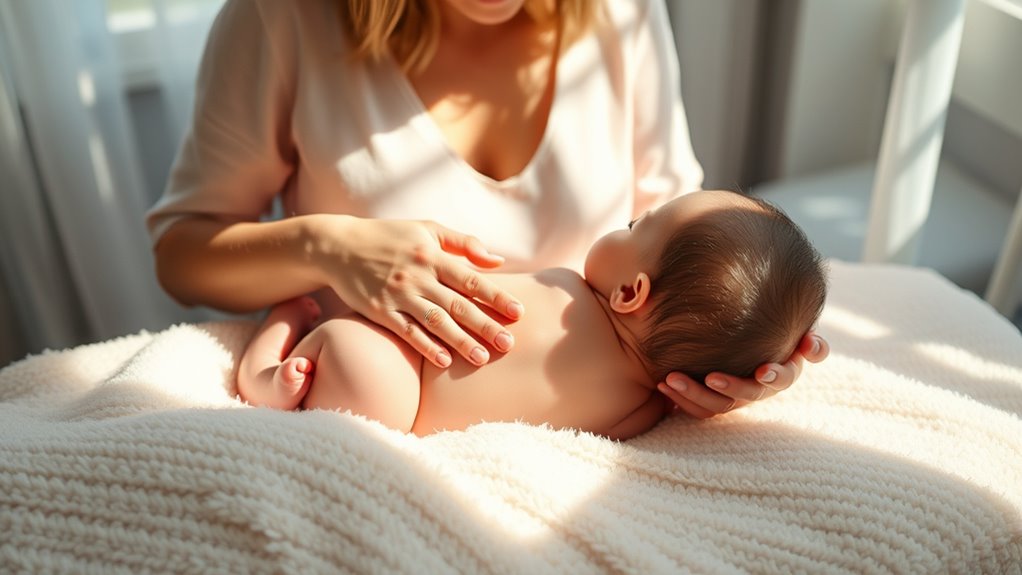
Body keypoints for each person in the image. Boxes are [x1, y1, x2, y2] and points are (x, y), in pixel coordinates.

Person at [146, 0, 829, 421]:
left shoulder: (622, 13)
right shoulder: (282, 17)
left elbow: (696, 248)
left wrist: (741, 357)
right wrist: (326, 248)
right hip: (371, 362)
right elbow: (182, 249)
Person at [236, 190, 828, 438]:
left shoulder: (565, 286)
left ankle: (274, 347)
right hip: (403, 414)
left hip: (391, 362)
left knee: (334, 341)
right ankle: (288, 361)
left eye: (633, 227)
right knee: (349, 375)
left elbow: (477, 299)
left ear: (630, 293)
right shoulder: (644, 408)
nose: (622, 225)